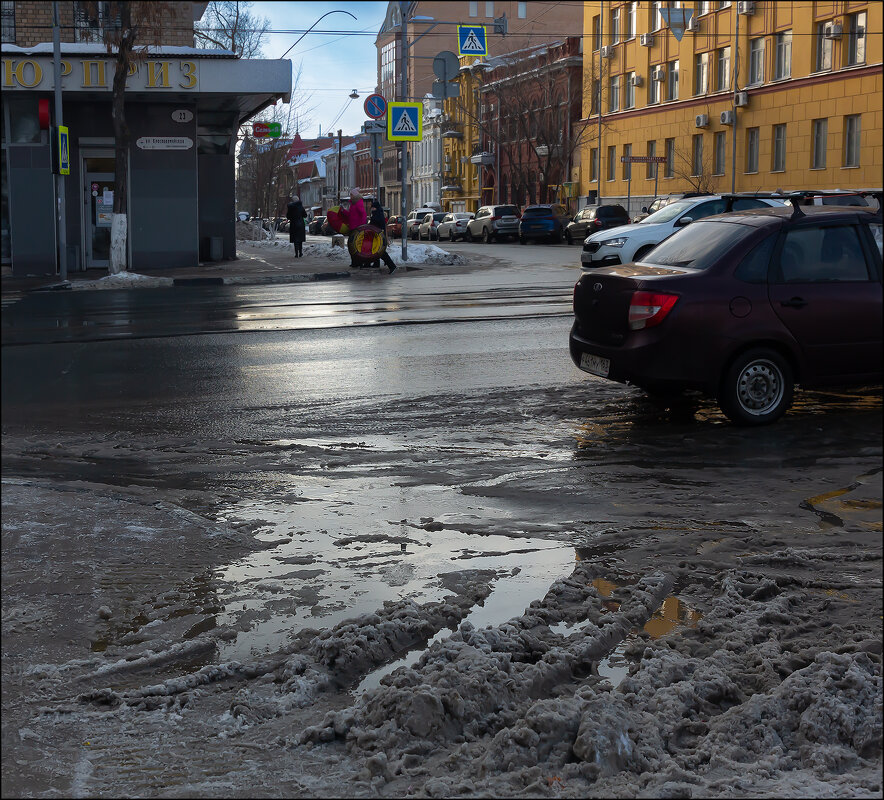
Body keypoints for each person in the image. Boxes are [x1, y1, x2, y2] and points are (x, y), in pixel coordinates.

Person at [368, 200, 397, 274]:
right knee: (377, 250)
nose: (372, 209)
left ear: (376, 208)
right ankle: (376, 263)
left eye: (373, 208)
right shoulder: (377, 214)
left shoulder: (378, 215)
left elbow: (377, 224)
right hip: (377, 235)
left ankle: (392, 266)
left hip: (379, 236)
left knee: (380, 252)